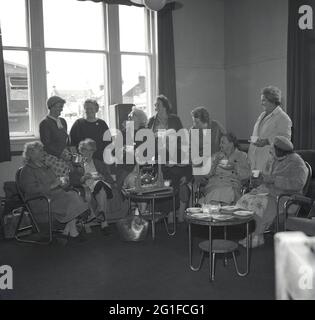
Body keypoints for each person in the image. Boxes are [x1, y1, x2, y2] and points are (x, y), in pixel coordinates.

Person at [237, 136, 308, 248]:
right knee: (246, 199)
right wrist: (259, 181)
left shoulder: (297, 163)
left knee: (259, 204)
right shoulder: (275, 159)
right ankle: (251, 233)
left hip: (287, 198)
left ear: (279, 150)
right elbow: (267, 178)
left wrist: (274, 180)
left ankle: (257, 236)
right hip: (270, 193)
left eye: (272, 149)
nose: (270, 151)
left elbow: (298, 183)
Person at [20, 141, 89, 240]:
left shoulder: (45, 167)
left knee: (73, 194)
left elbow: (56, 182)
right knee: (71, 198)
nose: (43, 153)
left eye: (43, 150)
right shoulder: (27, 171)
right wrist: (52, 185)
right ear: (31, 154)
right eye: (40, 151)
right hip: (40, 201)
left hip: (54, 196)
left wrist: (63, 183)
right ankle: (72, 231)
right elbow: (31, 190)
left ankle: (68, 231)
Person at [148, 95, 192, 222]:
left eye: (158, 104)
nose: (156, 107)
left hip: (175, 153)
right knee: (171, 179)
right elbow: (148, 139)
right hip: (160, 156)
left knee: (180, 175)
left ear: (165, 106)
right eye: (155, 105)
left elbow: (181, 136)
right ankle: (171, 214)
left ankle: (177, 216)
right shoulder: (152, 121)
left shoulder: (174, 119)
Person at [70, 138, 115, 233]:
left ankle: (100, 218)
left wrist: (103, 177)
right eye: (86, 150)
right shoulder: (76, 164)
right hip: (85, 188)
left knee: (101, 188)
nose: (89, 152)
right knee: (101, 189)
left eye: (91, 150)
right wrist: (83, 178)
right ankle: (104, 222)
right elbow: (72, 181)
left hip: (99, 185)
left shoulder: (98, 163)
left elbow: (109, 179)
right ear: (81, 151)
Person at [248, 86, 292, 171]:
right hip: (253, 160)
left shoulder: (283, 118)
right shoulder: (262, 115)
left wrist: (267, 141)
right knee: (253, 183)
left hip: (268, 162)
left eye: (264, 100)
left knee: (264, 183)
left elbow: (285, 140)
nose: (261, 103)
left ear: (272, 100)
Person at [200, 133, 250, 205]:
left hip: (232, 185)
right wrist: (215, 163)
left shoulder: (242, 156)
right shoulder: (216, 156)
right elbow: (206, 175)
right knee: (218, 193)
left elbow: (246, 175)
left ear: (231, 144)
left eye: (222, 142)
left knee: (228, 193)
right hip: (215, 185)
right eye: (220, 143)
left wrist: (235, 166)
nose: (220, 145)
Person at [116, 107, 148, 191]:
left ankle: (141, 203)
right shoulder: (123, 133)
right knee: (132, 181)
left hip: (142, 168)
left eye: (133, 114)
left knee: (137, 181)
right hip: (125, 168)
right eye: (129, 114)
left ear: (140, 118)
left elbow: (147, 154)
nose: (129, 116)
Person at [39, 96, 72, 161]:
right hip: (51, 157)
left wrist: (69, 153)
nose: (61, 109)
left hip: (64, 155)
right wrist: (60, 154)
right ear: (51, 107)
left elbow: (65, 141)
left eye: (62, 107)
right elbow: (47, 145)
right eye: (60, 106)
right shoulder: (45, 123)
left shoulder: (63, 121)